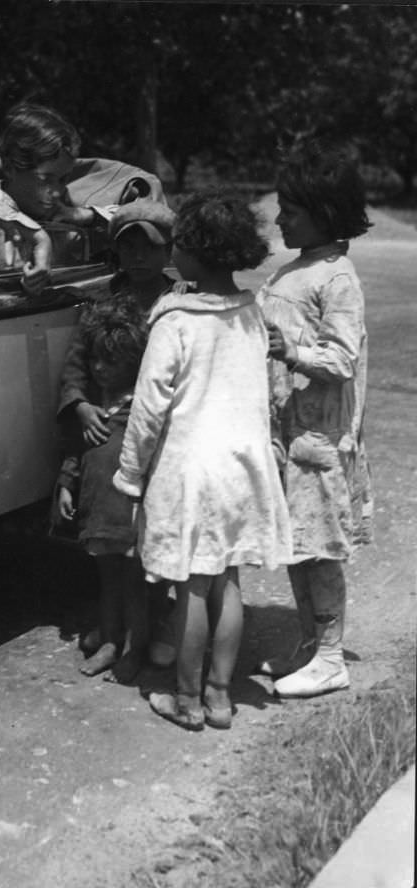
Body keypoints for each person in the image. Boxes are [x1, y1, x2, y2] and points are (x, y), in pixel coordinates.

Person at [113, 189, 292, 731]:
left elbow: (148, 409)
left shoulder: (175, 321)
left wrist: (130, 474)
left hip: (191, 469)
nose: (174, 254)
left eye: (181, 244)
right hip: (243, 466)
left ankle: (186, 698)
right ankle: (220, 695)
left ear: (196, 252)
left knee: (191, 585)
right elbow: (266, 392)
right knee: (228, 580)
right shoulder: (252, 316)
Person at [256, 141, 373, 698]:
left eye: (291, 211)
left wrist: (290, 352)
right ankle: (310, 643)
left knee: (320, 550)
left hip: (320, 437)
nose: (280, 219)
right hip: (290, 433)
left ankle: (332, 657)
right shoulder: (295, 269)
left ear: (325, 213)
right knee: (299, 547)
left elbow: (342, 358)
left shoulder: (337, 276)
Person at [57, 199, 179, 666]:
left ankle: (151, 627)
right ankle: (113, 631)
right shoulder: (100, 303)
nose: (137, 257)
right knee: (108, 545)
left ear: (167, 250)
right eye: (127, 246)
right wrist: (82, 405)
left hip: (158, 440)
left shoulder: (177, 303)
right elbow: (76, 367)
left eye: (148, 247)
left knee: (152, 547)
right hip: (104, 437)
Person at [56, 300, 149, 683]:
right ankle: (111, 642)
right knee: (108, 582)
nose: (98, 368)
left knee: (135, 585)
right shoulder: (96, 409)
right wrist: (66, 485)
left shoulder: (144, 410)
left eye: (109, 362)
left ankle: (136, 649)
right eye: (95, 359)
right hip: (99, 514)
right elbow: (79, 452)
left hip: (130, 515)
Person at [0, 102, 108, 296]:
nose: (57, 191)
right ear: (9, 169)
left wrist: (86, 216)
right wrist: (39, 237)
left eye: (63, 180)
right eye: (46, 180)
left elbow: (139, 216)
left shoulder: (65, 208)